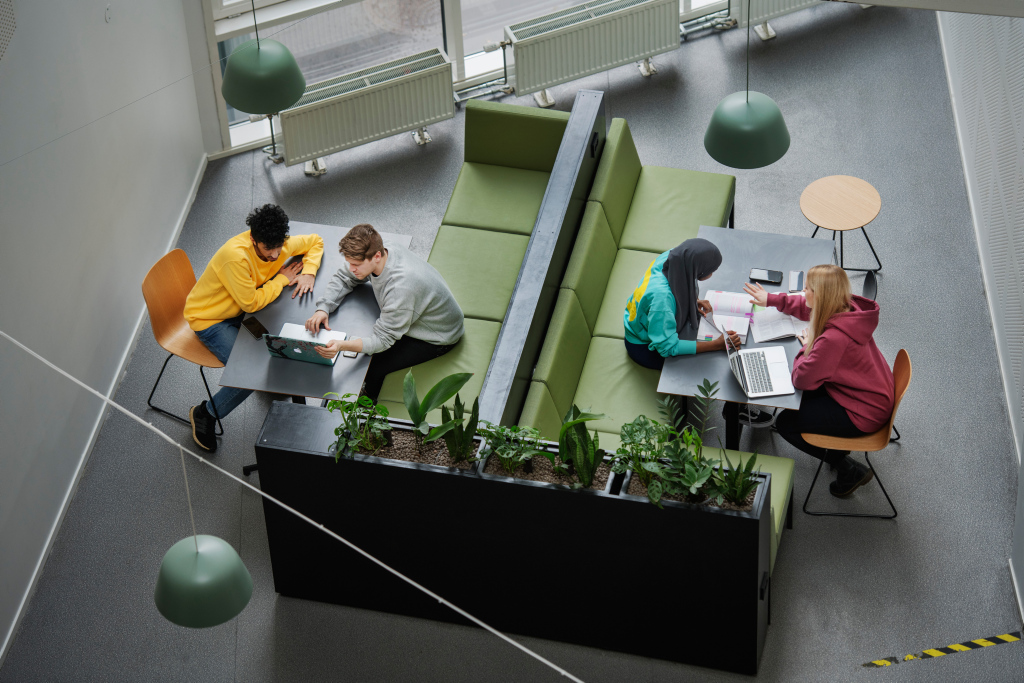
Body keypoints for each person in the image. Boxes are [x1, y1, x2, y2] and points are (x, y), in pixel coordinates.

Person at [744, 265, 894, 497]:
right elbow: (808, 307)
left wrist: (807, 347)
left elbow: (801, 379)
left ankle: (847, 468)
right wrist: (772, 299)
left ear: (821, 296)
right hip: (870, 391)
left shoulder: (833, 340)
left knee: (786, 423)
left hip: (862, 412)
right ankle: (839, 452)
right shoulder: (847, 307)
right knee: (800, 401)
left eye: (807, 289)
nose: (803, 293)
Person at [184, 204, 324, 452]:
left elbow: (316, 241)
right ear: (253, 239)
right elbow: (251, 302)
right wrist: (281, 279)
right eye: (268, 249)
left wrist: (309, 272)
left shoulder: (280, 244)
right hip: (210, 319)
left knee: (275, 346)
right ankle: (206, 413)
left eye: (279, 247)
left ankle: (266, 382)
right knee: (250, 375)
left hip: (240, 313)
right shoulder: (235, 258)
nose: (275, 255)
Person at [622, 239, 772, 427]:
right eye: (709, 271)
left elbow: (678, 283)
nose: (712, 274)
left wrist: (693, 299)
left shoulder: (671, 258)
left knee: (712, 345)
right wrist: (715, 345)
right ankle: (734, 410)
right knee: (716, 360)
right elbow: (667, 348)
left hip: (653, 322)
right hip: (644, 346)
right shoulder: (662, 300)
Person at [305, 224, 464, 401]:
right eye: (350, 263)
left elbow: (382, 341)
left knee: (372, 366)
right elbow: (344, 276)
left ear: (377, 256)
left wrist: (342, 345)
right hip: (416, 310)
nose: (351, 269)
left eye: (356, 264)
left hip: (438, 335)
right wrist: (323, 308)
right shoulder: (381, 248)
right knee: (365, 340)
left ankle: (367, 404)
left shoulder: (400, 289)